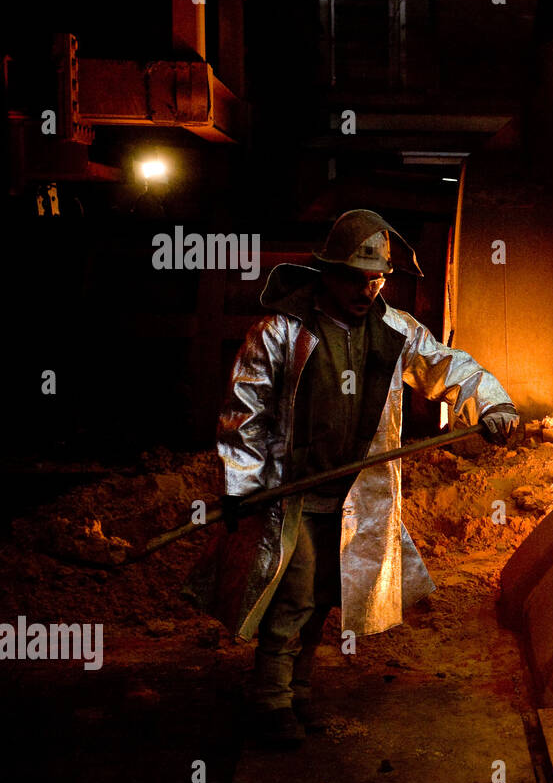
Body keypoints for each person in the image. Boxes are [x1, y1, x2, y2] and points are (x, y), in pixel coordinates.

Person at [190, 209, 518, 748]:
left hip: (353, 495)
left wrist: (492, 402)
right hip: (290, 495)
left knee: (323, 595)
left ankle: (298, 691)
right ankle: (269, 702)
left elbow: (447, 367)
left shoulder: (396, 332)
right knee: (292, 594)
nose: (368, 289)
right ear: (327, 273)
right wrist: (243, 486)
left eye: (378, 278)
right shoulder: (281, 333)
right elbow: (244, 410)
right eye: (356, 278)